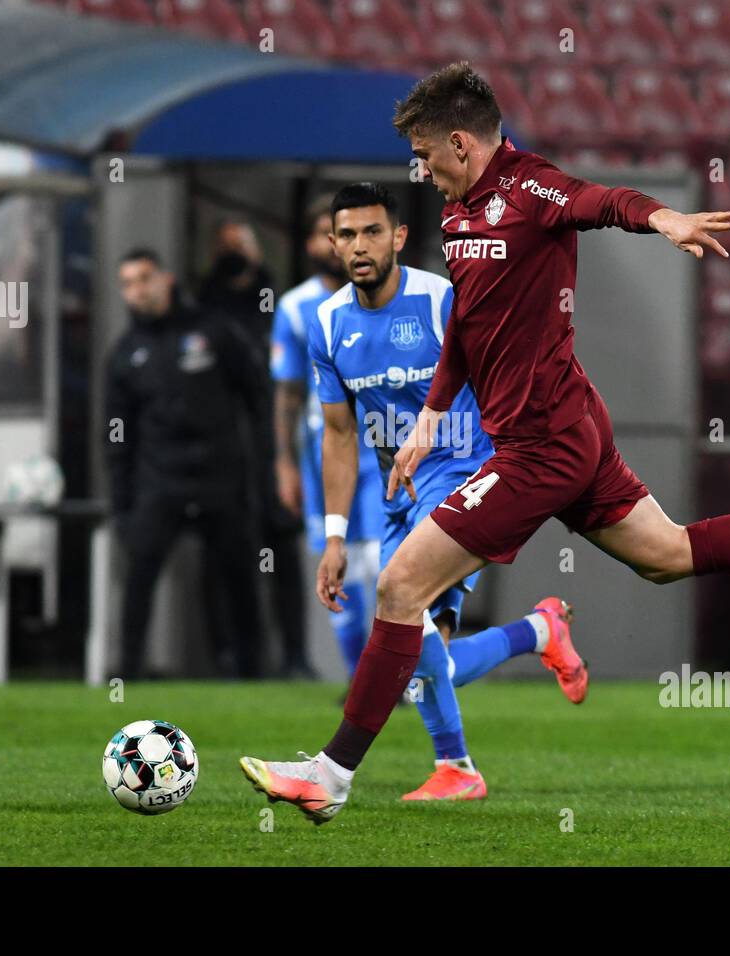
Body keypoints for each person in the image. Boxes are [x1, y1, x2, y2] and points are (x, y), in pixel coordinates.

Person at [240, 63, 730, 824]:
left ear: (459, 142)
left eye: (424, 153)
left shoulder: (528, 188)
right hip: (569, 429)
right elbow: (468, 331)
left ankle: (331, 775)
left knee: (397, 587)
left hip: (541, 445)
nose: (419, 169)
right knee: (669, 554)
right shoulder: (457, 218)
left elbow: (603, 201)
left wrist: (666, 221)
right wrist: (430, 415)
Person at [244, 182, 590, 804]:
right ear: (330, 244)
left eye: (373, 231)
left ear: (399, 237)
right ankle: (539, 633)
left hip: (467, 477)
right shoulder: (326, 325)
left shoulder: (440, 300)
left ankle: (451, 767)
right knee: (427, 664)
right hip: (394, 493)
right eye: (346, 234)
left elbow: (500, 383)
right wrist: (333, 535)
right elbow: (341, 434)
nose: (359, 245)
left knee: (411, 618)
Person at [105, 248, 266, 679]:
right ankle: (127, 670)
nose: (137, 291)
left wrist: (262, 470)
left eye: (143, 279)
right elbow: (117, 436)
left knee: (236, 576)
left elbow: (255, 395)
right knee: (139, 575)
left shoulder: (212, 331)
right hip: (160, 481)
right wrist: (122, 505)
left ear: (166, 279)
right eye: (128, 284)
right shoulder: (125, 353)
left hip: (220, 476)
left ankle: (250, 670)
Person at [271, 197, 385, 679]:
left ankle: (395, 674)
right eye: (327, 233)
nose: (337, 243)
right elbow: (288, 393)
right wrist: (284, 463)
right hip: (323, 452)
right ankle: (360, 676)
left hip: (383, 449)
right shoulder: (296, 308)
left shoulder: (395, 297)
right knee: (339, 564)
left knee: (387, 562)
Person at [202, 219, 313, 677]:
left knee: (282, 553)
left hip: (273, 450)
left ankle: (293, 656)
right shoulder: (205, 312)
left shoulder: (279, 307)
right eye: (226, 246)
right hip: (223, 456)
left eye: (242, 244)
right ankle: (236, 658)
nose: (235, 254)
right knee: (226, 560)